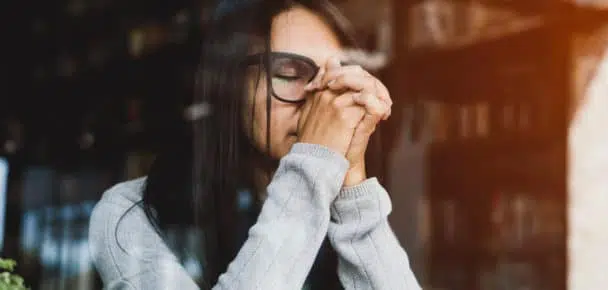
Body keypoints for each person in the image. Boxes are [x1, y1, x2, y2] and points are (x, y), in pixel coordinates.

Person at [88, 0, 420, 289]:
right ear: (231, 85)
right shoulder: (128, 214)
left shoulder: (341, 214)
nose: (322, 101)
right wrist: (315, 162)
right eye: (290, 72)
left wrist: (352, 194)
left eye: (336, 79)